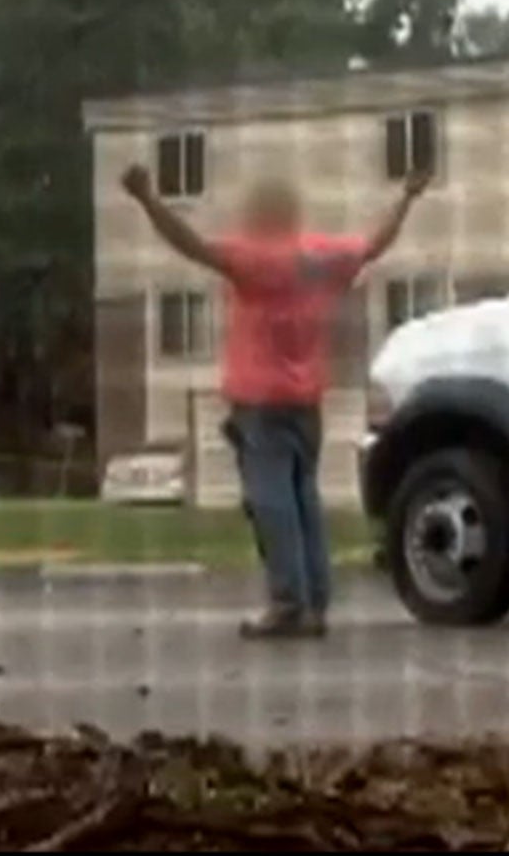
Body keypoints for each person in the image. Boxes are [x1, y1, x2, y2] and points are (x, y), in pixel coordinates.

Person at [122, 162, 432, 639]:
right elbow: (374, 244)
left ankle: (288, 601)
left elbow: (191, 245)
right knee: (304, 499)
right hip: (306, 401)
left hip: (260, 402)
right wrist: (406, 199)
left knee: (271, 503)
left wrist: (147, 200)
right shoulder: (320, 258)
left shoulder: (255, 260)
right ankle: (315, 599)